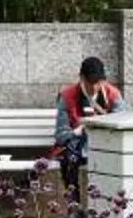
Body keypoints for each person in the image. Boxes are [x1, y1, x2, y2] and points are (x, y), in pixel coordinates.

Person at [52, 55, 123, 200]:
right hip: (75, 146)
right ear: (81, 78)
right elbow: (60, 135)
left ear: (103, 80)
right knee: (68, 158)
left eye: (98, 82)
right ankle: (74, 208)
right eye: (90, 82)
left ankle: (108, 207)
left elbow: (120, 127)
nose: (94, 87)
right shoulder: (67, 96)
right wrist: (77, 131)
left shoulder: (113, 95)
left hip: (105, 145)